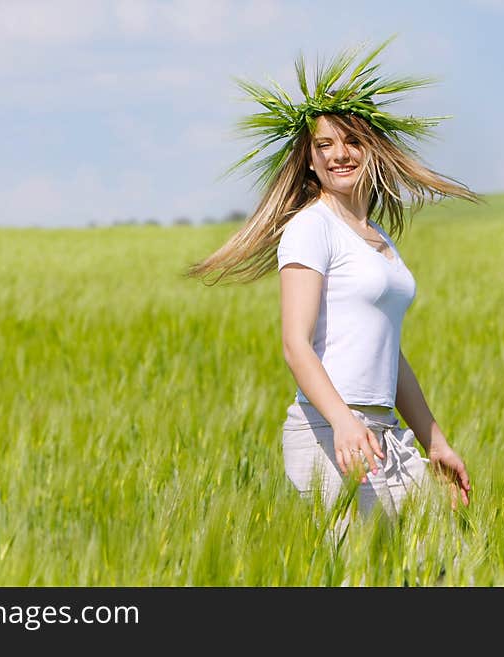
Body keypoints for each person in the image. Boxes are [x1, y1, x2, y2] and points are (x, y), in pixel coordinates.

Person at [188, 39, 476, 521]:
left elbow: (389, 352)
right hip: (330, 434)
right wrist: (342, 423)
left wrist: (435, 440)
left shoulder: (377, 236)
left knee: (439, 567)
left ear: (373, 149)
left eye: (352, 141)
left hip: (385, 435)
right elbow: (295, 344)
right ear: (308, 158)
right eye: (324, 144)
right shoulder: (310, 227)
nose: (340, 154)